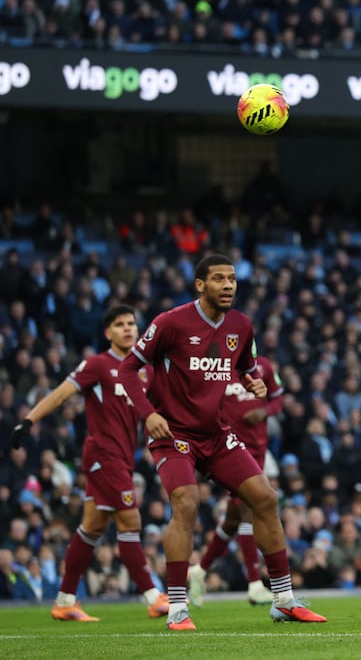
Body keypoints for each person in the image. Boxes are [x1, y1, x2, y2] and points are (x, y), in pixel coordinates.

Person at [117, 253, 326, 630]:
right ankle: (177, 608)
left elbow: (245, 367)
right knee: (187, 502)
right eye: (218, 279)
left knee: (265, 498)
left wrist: (253, 383)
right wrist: (148, 414)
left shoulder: (240, 325)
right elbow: (128, 368)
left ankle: (283, 600)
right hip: (173, 432)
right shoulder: (170, 322)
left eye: (231, 279)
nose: (228, 285)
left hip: (215, 433)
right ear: (200, 285)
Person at [10, 305, 169, 622]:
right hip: (103, 455)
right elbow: (61, 394)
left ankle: (65, 601)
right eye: (120, 324)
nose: (128, 328)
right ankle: (153, 597)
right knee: (130, 521)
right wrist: (29, 420)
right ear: (108, 333)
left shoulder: (144, 371)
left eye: (131, 323)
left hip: (123, 457)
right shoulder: (98, 365)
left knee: (92, 528)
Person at [189, 356, 285, 606]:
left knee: (233, 520)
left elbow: (278, 399)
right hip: (231, 452)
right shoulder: (218, 368)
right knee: (247, 509)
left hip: (259, 449)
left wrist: (264, 411)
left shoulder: (264, 366)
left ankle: (199, 570)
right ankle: (254, 584)